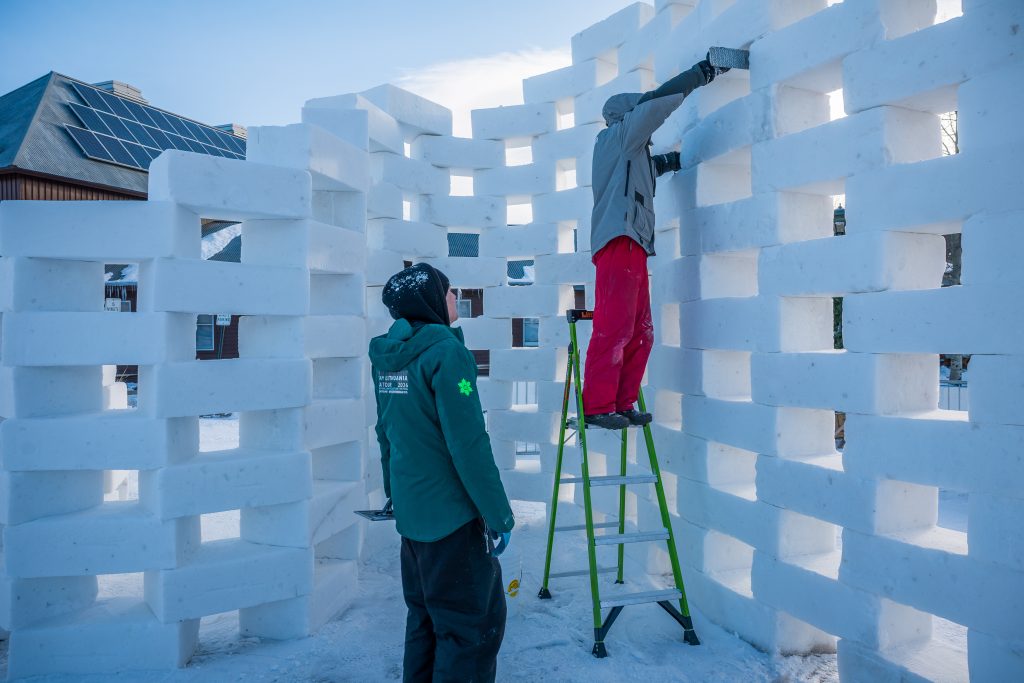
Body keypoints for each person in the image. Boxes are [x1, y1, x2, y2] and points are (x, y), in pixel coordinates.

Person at [369, 262, 515, 683]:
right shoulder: (447, 356)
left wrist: (396, 495)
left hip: (414, 523)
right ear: (431, 300)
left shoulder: (388, 355)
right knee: (471, 630)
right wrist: (499, 514)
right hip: (452, 523)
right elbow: (468, 445)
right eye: (449, 291)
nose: (456, 298)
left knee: (426, 622)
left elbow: (386, 434)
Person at [583, 53, 730, 430]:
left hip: (634, 246)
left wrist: (683, 158)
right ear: (628, 116)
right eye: (640, 114)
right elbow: (658, 101)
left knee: (641, 331)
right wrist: (702, 73)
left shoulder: (632, 153)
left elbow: (654, 167)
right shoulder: (616, 138)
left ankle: (621, 402)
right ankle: (597, 406)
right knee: (613, 327)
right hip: (618, 241)